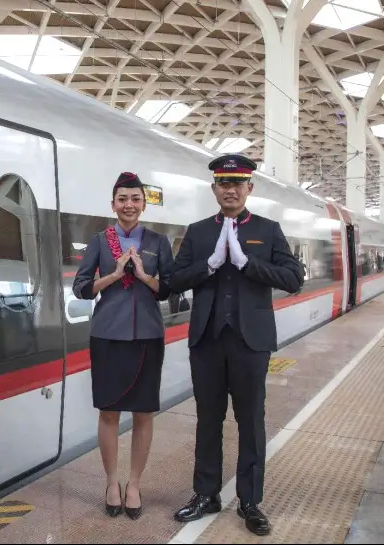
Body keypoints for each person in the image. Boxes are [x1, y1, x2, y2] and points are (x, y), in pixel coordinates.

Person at [170, 154, 303, 536]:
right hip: (208, 342)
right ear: (214, 189)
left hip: (250, 342)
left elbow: (292, 278)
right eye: (223, 183)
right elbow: (174, 281)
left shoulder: (268, 229)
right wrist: (208, 265)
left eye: (238, 183)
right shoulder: (197, 232)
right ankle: (205, 494)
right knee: (207, 420)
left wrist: (247, 263)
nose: (230, 189)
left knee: (251, 422)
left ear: (249, 188)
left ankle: (250, 501)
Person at [73, 172, 173, 521]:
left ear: (144, 203)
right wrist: (113, 276)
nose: (128, 205)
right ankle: (112, 482)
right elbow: (82, 288)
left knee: (144, 413)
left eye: (135, 199)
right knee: (109, 412)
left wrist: (144, 276)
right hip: (107, 335)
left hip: (147, 336)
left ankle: (134, 484)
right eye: (122, 199)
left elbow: (170, 289)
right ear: (112, 203)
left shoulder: (159, 242)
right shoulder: (99, 240)